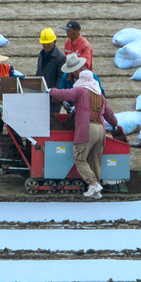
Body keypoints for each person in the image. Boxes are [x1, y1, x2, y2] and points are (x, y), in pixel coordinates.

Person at [49, 70, 120, 199]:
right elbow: (109, 114)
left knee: (79, 157)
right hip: (101, 130)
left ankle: (93, 183)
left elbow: (64, 94)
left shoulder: (81, 91)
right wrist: (115, 123)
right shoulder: (100, 96)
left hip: (88, 128)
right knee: (95, 160)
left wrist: (51, 91)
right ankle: (96, 191)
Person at [37, 27, 66, 113]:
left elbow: (61, 77)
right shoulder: (41, 55)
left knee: (52, 120)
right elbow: (39, 72)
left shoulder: (61, 57)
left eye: (48, 43)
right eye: (44, 43)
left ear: (54, 42)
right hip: (41, 94)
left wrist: (56, 93)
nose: (46, 46)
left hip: (53, 98)